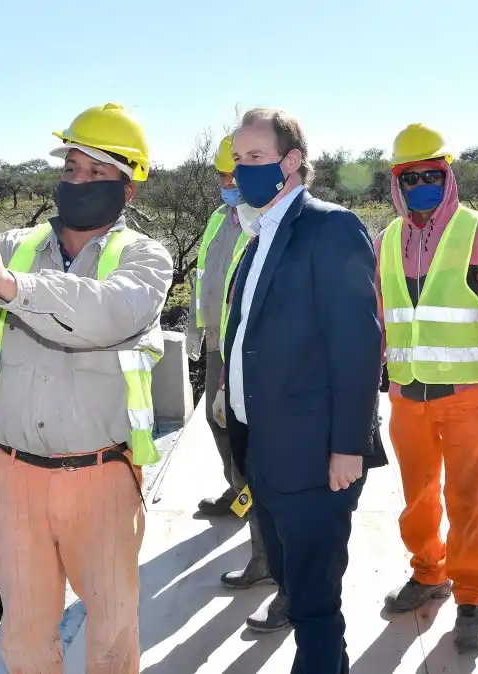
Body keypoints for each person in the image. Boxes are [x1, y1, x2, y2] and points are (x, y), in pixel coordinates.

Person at [0, 102, 173, 674]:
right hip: (14, 477)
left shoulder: (144, 258)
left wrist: (8, 282)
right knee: (23, 632)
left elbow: (105, 314)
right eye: (71, 168)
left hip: (102, 478)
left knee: (112, 631)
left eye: (96, 173)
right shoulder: (15, 247)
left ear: (130, 189)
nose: (77, 181)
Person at [220, 107, 384, 674]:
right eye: (239, 160)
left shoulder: (329, 227)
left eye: (257, 158)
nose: (244, 171)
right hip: (263, 451)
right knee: (295, 588)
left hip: (316, 457)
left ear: (292, 162)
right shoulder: (257, 232)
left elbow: (359, 346)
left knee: (314, 605)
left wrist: (348, 447)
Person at [375, 123, 478, 651]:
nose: (420, 186)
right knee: (416, 500)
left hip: (466, 399)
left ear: (447, 174)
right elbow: (379, 320)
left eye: (431, 175)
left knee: (466, 499)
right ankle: (428, 573)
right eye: (409, 178)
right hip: (406, 397)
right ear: (396, 182)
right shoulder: (386, 240)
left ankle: (472, 596)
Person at [185, 135, 285, 623]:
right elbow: (204, 278)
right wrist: (194, 333)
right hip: (216, 342)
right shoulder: (219, 220)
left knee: (251, 443)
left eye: (233, 175)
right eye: (223, 176)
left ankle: (265, 556)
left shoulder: (264, 224)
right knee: (217, 423)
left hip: (243, 350)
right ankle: (236, 491)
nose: (227, 184)